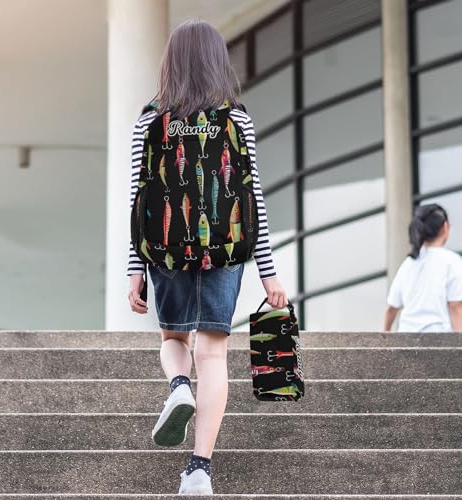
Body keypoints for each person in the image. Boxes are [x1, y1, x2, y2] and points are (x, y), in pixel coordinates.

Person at [126, 19, 288, 495]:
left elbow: (138, 200)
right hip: (225, 252)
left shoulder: (149, 120)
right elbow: (253, 200)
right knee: (213, 352)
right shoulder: (237, 119)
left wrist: (135, 270)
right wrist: (269, 273)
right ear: (218, 61)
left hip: (167, 252)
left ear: (171, 62)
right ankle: (199, 470)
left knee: (174, 338)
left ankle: (179, 387)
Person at [384, 203, 462, 333]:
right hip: (438, 337)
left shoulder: (409, 262)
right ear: (445, 227)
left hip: (406, 335)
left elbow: (391, 308)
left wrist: (385, 334)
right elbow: (455, 306)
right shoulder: (452, 261)